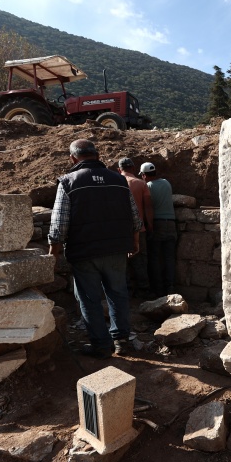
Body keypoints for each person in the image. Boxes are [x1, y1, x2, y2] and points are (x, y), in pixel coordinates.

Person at [48, 139, 141, 358]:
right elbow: (134, 216)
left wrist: (53, 253)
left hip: (84, 252)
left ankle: (101, 345)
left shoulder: (68, 182)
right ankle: (122, 342)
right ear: (98, 156)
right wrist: (135, 242)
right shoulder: (119, 180)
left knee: (89, 299)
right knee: (118, 294)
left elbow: (59, 222)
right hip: (117, 249)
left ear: (73, 158)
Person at [118, 157, 153, 296]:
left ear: (119, 170)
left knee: (121, 262)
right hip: (139, 228)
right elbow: (148, 207)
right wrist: (150, 224)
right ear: (133, 168)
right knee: (140, 260)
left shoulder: (115, 183)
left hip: (120, 230)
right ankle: (144, 290)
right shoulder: (140, 183)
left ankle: (126, 291)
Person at [140, 161, 177, 297]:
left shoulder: (148, 186)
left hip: (157, 224)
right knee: (169, 258)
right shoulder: (166, 183)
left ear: (144, 175)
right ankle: (171, 287)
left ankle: (158, 290)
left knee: (154, 257)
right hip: (171, 223)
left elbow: (147, 206)